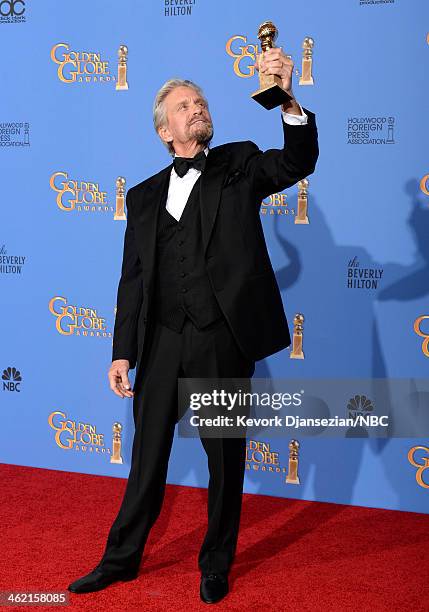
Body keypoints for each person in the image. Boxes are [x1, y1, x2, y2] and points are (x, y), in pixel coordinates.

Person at [67, 47, 319, 604]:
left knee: (224, 460)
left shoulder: (239, 163)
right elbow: (132, 281)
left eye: (201, 101)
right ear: (165, 130)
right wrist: (121, 352)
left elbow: (297, 161)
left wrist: (289, 99)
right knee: (146, 457)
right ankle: (120, 560)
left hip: (220, 339)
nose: (197, 108)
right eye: (185, 105)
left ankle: (215, 564)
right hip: (160, 341)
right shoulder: (142, 197)